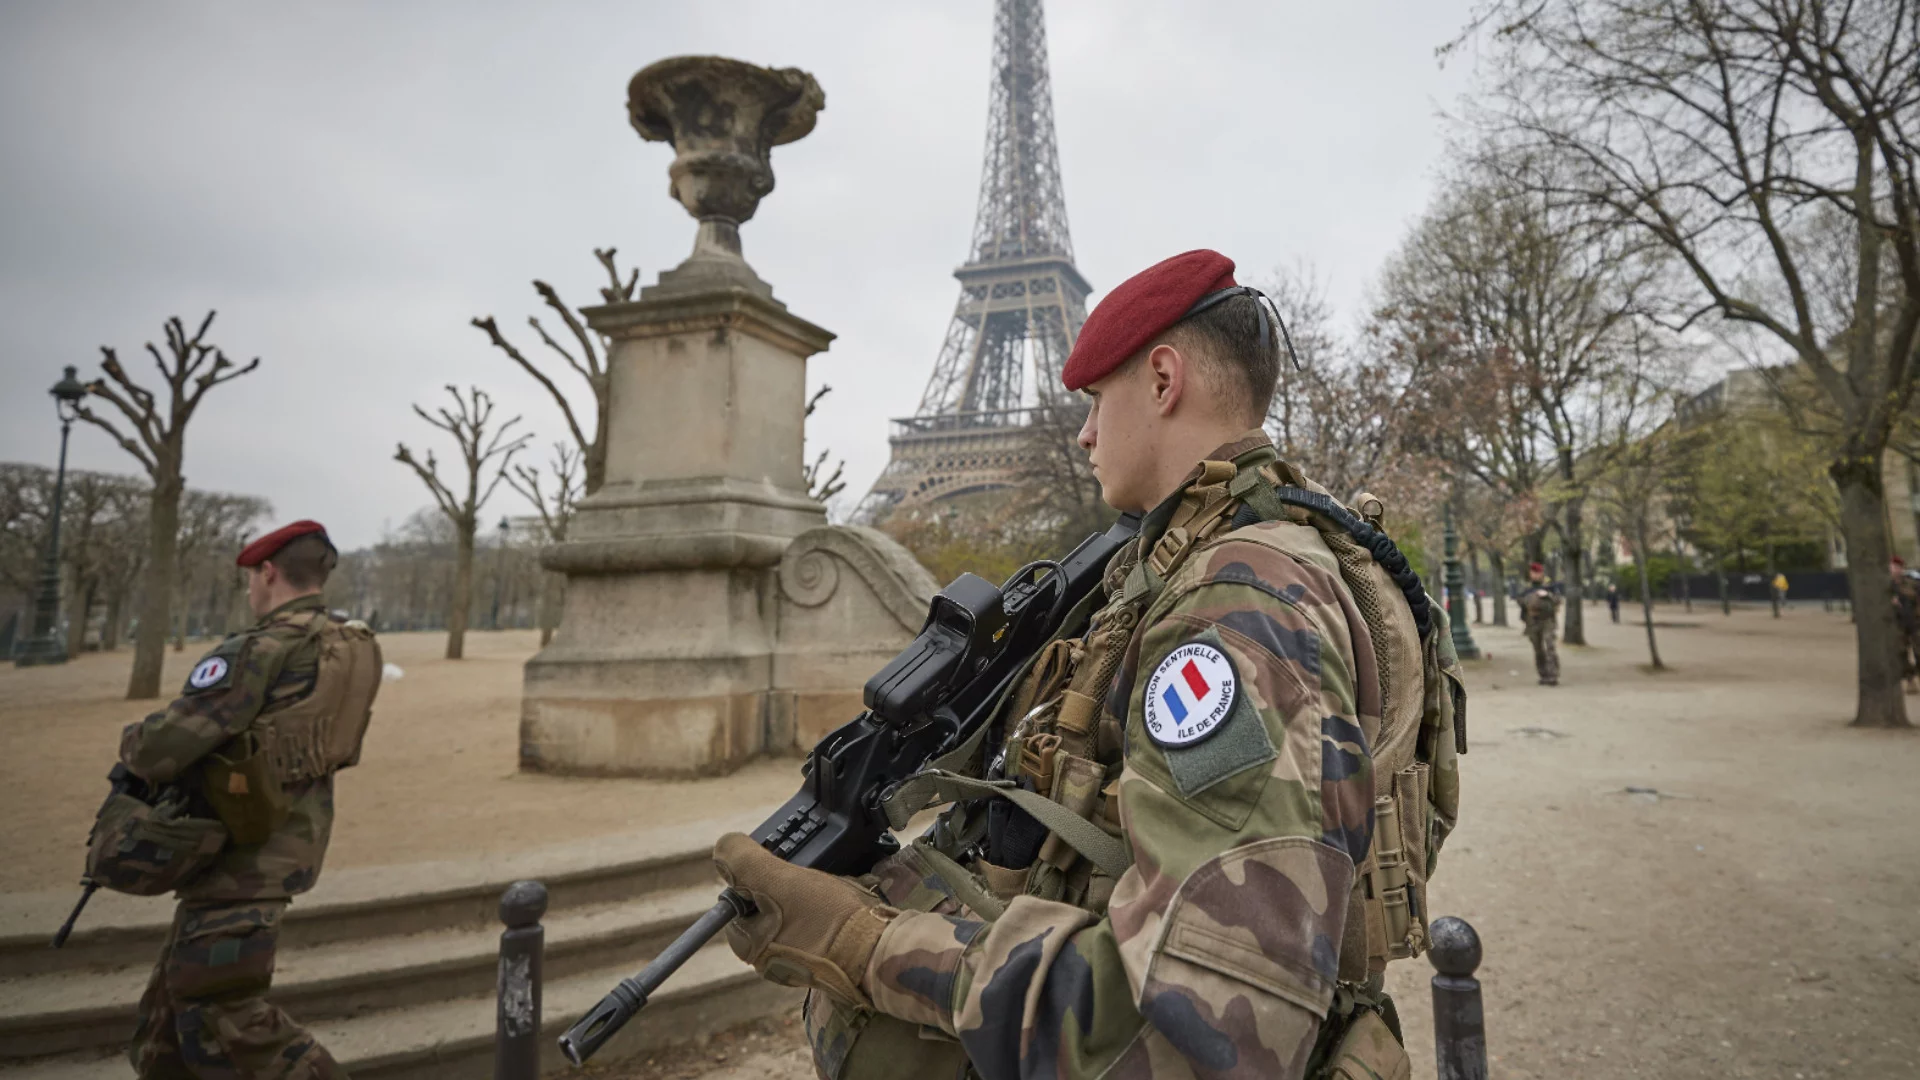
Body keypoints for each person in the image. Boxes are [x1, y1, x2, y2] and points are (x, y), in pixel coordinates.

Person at [709, 250, 1463, 1080]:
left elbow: (1203, 1031)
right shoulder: (1255, 555)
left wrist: (863, 943)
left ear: (1164, 380)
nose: (1085, 432)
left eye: (1097, 399)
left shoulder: (1234, 608)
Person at [120, 521, 380, 1080]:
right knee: (166, 1030)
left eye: (249, 579)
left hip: (237, 855)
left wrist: (132, 739)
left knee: (229, 1018)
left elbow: (163, 748)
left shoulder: (262, 648)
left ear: (267, 573)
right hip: (289, 841)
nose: (248, 591)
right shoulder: (351, 643)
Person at [1519, 562, 1560, 686]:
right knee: (1538, 649)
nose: (1535, 575)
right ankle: (1543, 674)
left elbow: (1557, 600)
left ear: (1542, 573)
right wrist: (1531, 599)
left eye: (1538, 572)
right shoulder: (1526, 589)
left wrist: (1547, 595)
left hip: (1547, 621)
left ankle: (1553, 675)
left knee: (1549, 646)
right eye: (1533, 572)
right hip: (1532, 621)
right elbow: (1520, 601)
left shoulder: (1549, 587)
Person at [1891, 558, 1919, 694]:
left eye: (1897, 567)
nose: (1894, 570)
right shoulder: (1886, 586)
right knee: (1901, 653)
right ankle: (1910, 679)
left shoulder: (1912, 583)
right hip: (1898, 624)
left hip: (1915, 622)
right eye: (1892, 567)